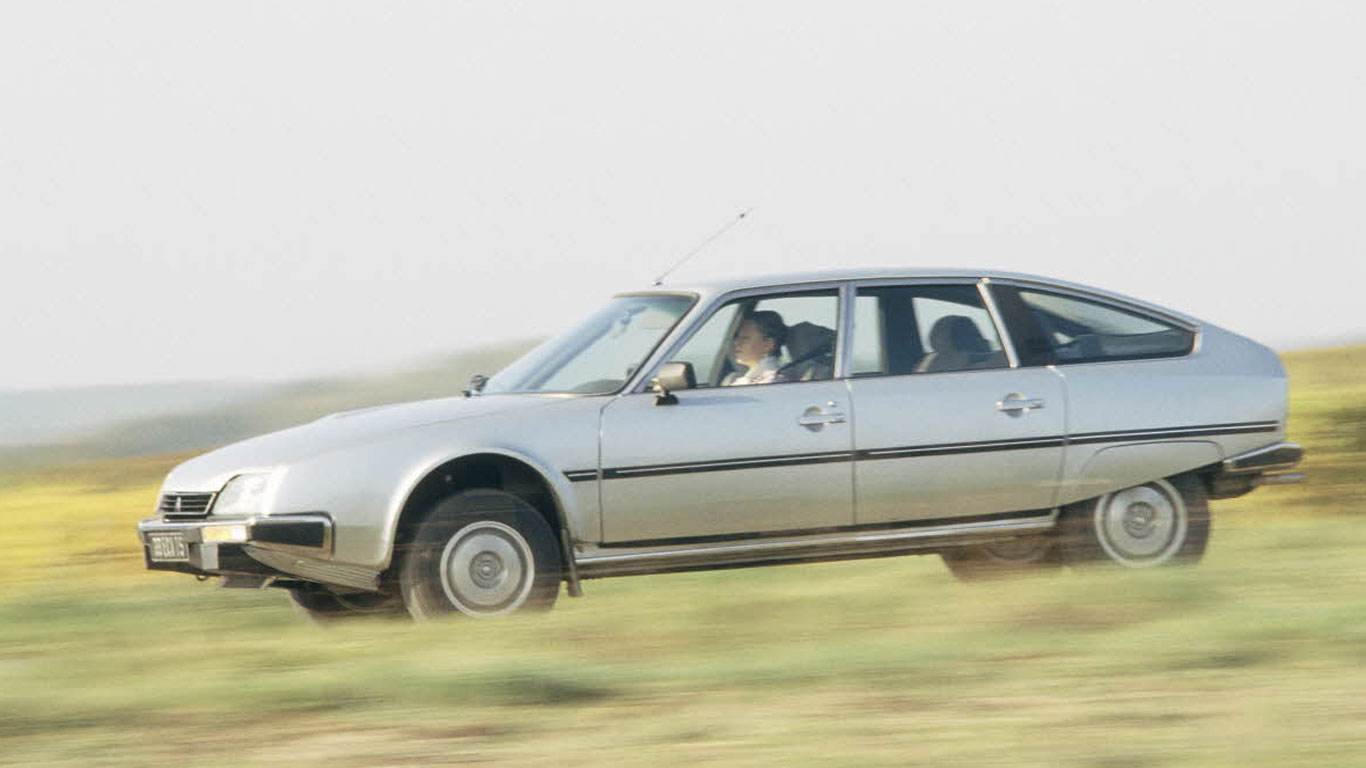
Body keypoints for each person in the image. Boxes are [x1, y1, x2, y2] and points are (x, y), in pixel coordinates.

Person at [722, 310, 787, 386]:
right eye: (738, 337)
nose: (736, 343)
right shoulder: (752, 378)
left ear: (768, 345)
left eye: (745, 338)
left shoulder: (771, 381)